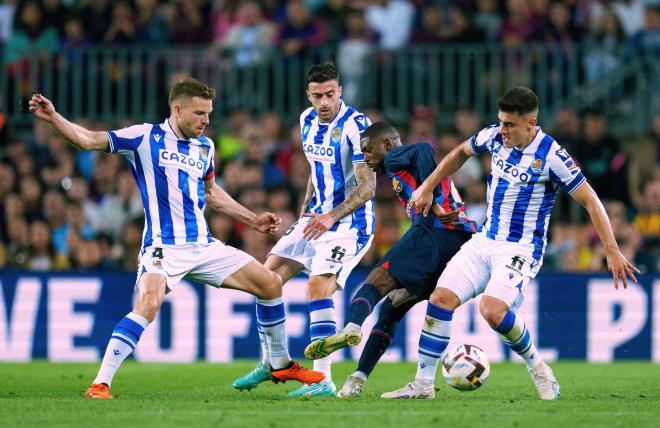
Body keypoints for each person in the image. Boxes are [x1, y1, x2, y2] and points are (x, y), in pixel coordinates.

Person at [28, 78, 324, 399]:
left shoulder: (205, 147)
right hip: (162, 246)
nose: (206, 120)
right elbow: (88, 140)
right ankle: (101, 383)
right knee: (148, 304)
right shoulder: (144, 137)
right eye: (199, 113)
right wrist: (55, 118)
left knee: (270, 283)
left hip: (203, 245)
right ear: (177, 109)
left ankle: (279, 363)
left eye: (209, 114)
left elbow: (212, 194)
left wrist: (252, 218)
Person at [382, 86, 640, 400]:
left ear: (531, 123)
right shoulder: (494, 136)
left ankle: (538, 367)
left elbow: (590, 200)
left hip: (520, 249)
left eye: (510, 124)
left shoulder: (552, 155)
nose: (502, 130)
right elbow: (461, 152)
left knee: (491, 311)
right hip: (486, 239)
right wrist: (427, 185)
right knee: (440, 299)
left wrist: (612, 251)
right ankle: (422, 386)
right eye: (501, 122)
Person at [303, 121, 477, 397]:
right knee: (392, 308)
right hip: (460, 243)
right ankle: (358, 380)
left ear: (386, 145)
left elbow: (422, 149)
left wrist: (431, 196)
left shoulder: (396, 158)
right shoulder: (400, 172)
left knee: (377, 279)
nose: (366, 158)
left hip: (436, 231)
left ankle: (352, 327)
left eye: (368, 151)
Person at [233, 62, 375, 397]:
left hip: (349, 224)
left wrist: (330, 215)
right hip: (314, 219)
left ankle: (323, 379)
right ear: (308, 95)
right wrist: (307, 206)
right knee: (264, 281)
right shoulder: (306, 120)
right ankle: (271, 363)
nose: (324, 102)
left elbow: (368, 186)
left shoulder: (357, 126)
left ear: (340, 91)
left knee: (317, 286)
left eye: (330, 94)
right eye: (317, 96)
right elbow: (316, 168)